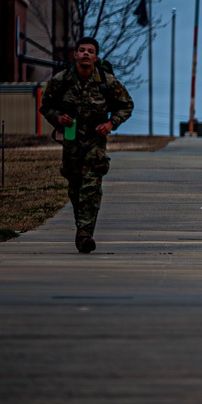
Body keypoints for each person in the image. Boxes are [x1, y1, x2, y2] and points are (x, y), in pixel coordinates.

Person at [39, 37, 134, 253]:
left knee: (91, 185)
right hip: (72, 139)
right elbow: (46, 106)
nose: (86, 54)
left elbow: (126, 105)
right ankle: (83, 228)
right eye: (82, 50)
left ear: (96, 57)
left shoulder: (106, 82)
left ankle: (84, 235)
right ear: (75, 55)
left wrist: (111, 123)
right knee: (75, 187)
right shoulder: (62, 80)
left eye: (90, 51)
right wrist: (58, 118)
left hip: (95, 139)